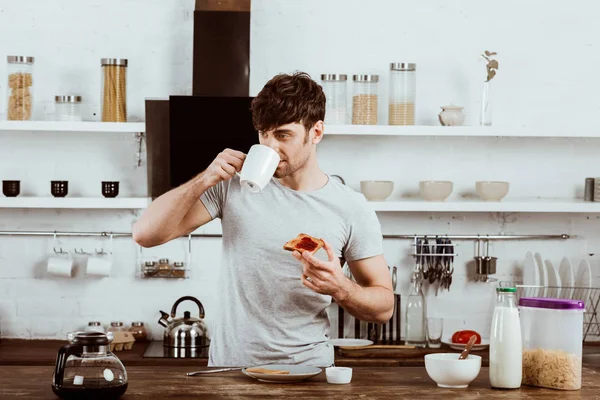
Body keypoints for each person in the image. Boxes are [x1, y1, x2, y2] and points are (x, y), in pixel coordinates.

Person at [133, 72, 394, 367]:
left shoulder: (350, 207)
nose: (270, 147)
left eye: (283, 135)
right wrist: (203, 179)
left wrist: (340, 287)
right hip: (231, 372)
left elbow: (384, 307)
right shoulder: (231, 187)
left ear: (316, 132)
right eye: (263, 134)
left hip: (308, 373)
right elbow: (145, 234)